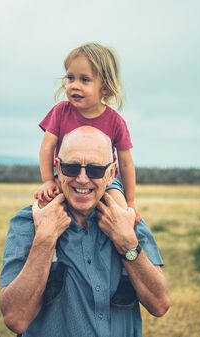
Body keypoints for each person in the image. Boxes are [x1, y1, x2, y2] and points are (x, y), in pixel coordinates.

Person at [0, 126, 170, 337]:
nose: (82, 178)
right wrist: (45, 239)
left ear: (111, 173)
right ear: (58, 167)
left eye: (95, 170)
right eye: (71, 168)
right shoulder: (28, 222)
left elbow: (159, 304)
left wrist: (127, 243)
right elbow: (15, 318)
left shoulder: (128, 220)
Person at [34, 42, 140, 222]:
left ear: (104, 87)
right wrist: (49, 181)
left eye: (84, 79)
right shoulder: (60, 111)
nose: (74, 85)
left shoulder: (115, 121)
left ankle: (125, 247)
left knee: (122, 213)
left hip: (104, 180)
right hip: (67, 176)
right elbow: (47, 147)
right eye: (70, 78)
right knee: (45, 207)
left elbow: (126, 163)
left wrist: (130, 201)